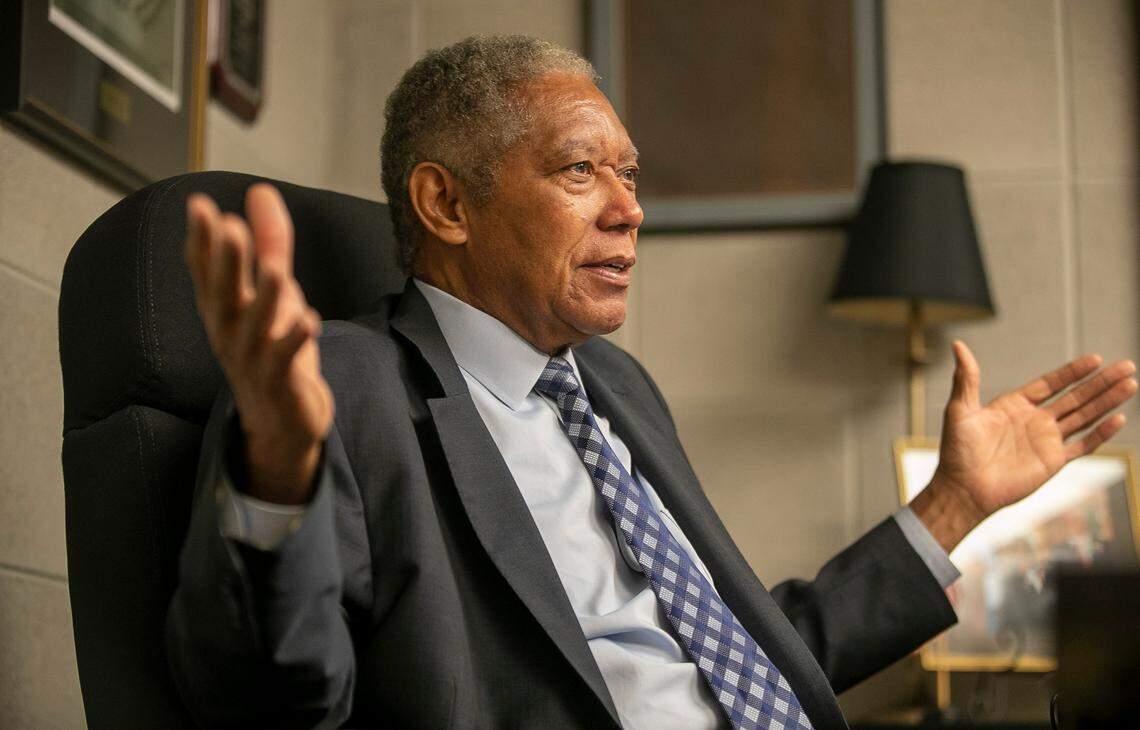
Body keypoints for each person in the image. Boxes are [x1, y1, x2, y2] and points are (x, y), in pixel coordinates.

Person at [166, 36, 1136, 729]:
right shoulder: (340, 385)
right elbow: (269, 703)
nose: (631, 211)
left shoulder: (614, 387)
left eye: (632, 175)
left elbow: (756, 651)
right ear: (446, 202)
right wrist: (277, 484)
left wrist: (955, 503)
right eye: (583, 170)